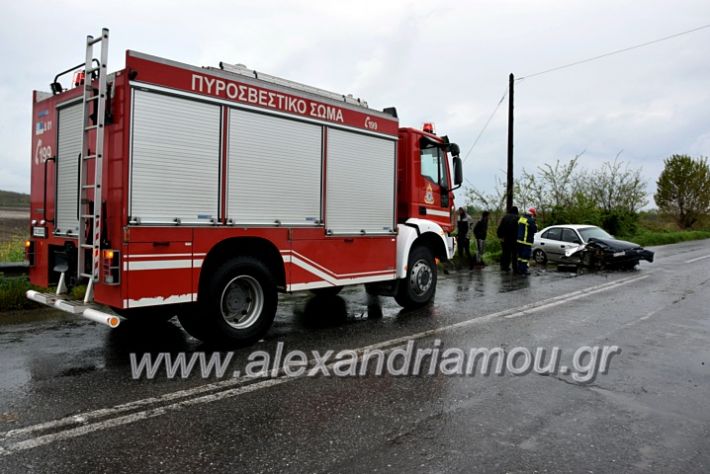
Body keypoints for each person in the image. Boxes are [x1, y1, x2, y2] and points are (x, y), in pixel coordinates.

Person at [497, 206, 519, 272]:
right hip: (515, 239)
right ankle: (515, 268)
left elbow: (500, 228)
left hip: (506, 239)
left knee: (506, 253)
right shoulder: (518, 218)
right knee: (514, 254)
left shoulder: (505, 217)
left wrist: (500, 236)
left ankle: (505, 267)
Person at [516, 207, 538, 275]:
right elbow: (534, 230)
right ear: (532, 214)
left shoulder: (521, 218)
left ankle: (519, 269)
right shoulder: (530, 220)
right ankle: (524, 270)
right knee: (525, 257)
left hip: (519, 241)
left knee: (520, 256)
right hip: (526, 241)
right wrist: (536, 225)